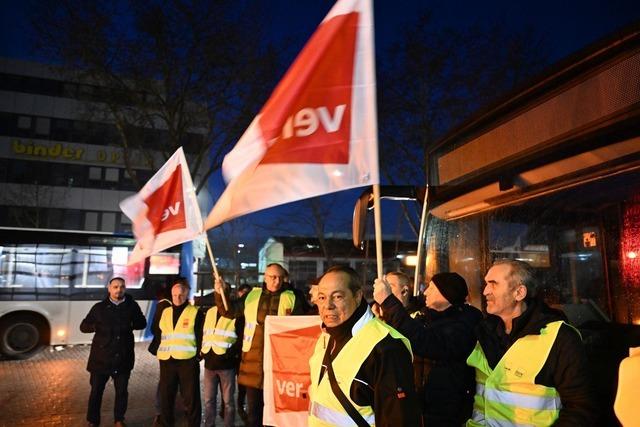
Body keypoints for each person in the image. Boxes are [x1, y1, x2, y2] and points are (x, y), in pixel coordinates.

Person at [468, 259, 596, 426]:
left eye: (493, 284)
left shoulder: (559, 338)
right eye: (485, 284)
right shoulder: (484, 332)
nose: (485, 291)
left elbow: (581, 408)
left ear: (519, 293)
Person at [309, 266, 420, 427]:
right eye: (322, 298)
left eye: (338, 296)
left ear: (358, 296)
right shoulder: (326, 337)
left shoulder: (386, 348)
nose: (328, 305)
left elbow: (400, 419)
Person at [374, 272, 482, 426]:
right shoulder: (425, 317)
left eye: (431, 287)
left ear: (446, 293)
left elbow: (427, 342)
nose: (425, 292)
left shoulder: (464, 324)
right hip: (420, 409)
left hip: (447, 413)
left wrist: (388, 302)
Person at [214, 263, 306, 427]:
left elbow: (303, 328)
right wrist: (220, 292)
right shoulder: (252, 296)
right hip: (253, 367)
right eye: (272, 277)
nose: (276, 281)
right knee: (254, 415)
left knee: (275, 416)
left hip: (280, 369)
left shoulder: (293, 297)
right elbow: (228, 311)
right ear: (265, 277)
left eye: (279, 277)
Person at [80, 277, 147, 427]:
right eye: (115, 287)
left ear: (125, 289)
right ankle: (93, 421)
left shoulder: (132, 306)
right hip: (100, 359)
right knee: (96, 391)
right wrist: (96, 326)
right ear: (109, 288)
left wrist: (132, 323)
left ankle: (119, 420)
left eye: (122, 287)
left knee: (122, 392)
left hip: (123, 357)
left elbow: (142, 323)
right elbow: (83, 326)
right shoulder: (99, 308)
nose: (119, 290)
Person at [154, 278, 204, 427]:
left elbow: (201, 336)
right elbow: (158, 332)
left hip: (187, 362)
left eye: (181, 295)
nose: (177, 298)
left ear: (187, 294)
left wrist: (197, 357)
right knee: (166, 397)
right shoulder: (165, 312)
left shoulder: (195, 313)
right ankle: (166, 424)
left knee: (191, 398)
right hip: (167, 360)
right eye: (174, 295)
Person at [202, 294, 243, 427]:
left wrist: (230, 354)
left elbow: (241, 338)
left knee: (228, 402)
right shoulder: (210, 312)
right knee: (208, 400)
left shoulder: (236, 314)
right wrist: (203, 353)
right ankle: (209, 424)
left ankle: (228, 425)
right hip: (209, 364)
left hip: (227, 365)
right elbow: (205, 333)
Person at [148, 285, 173, 421]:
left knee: (165, 379)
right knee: (165, 380)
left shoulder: (161, 305)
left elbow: (153, 328)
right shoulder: (165, 306)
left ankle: (161, 410)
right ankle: (161, 411)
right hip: (168, 350)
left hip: (166, 350)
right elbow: (156, 328)